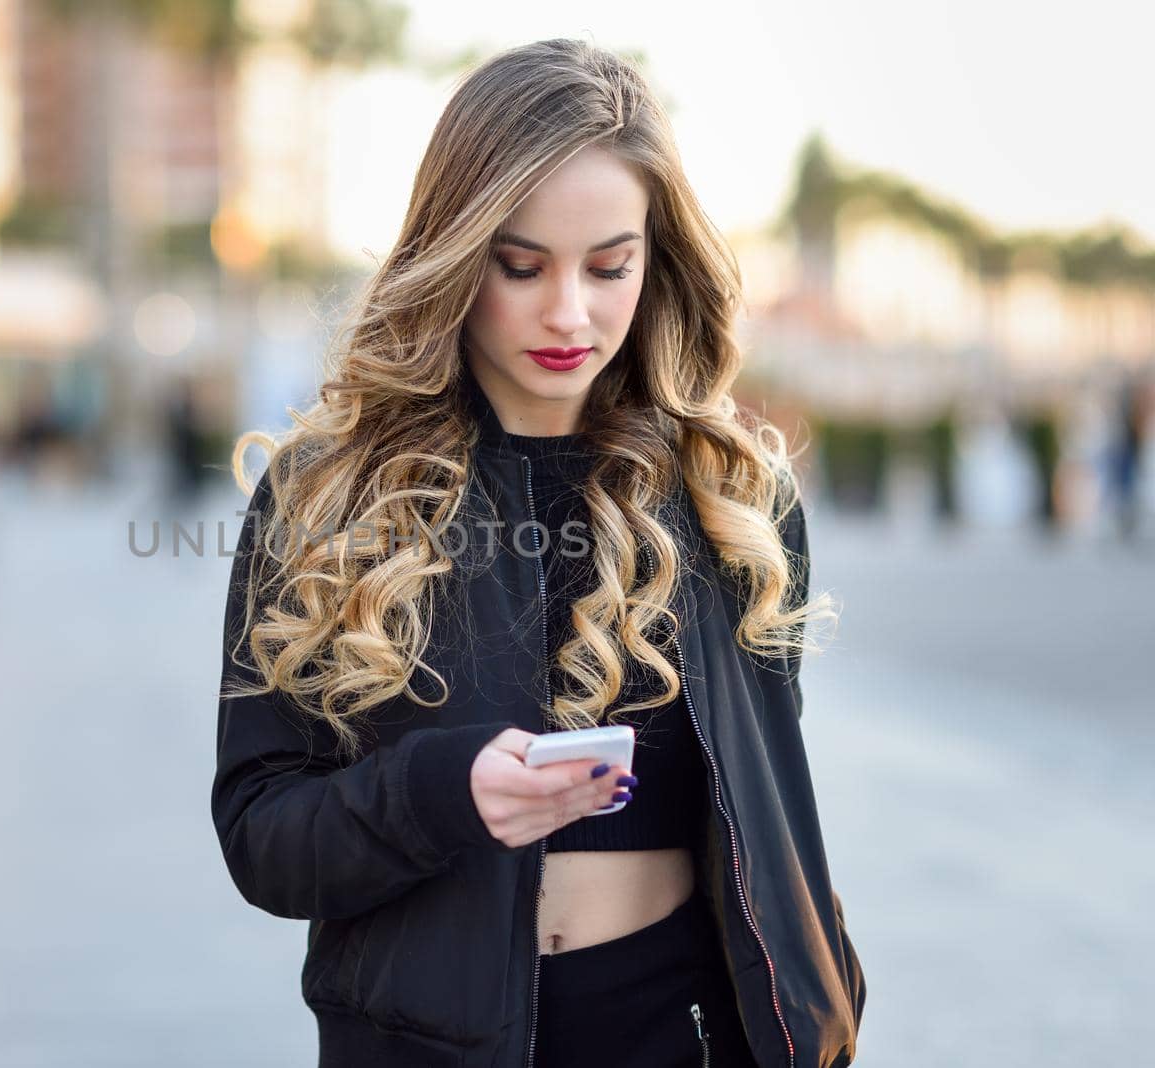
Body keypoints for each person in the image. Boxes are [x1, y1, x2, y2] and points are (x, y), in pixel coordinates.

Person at [211, 39, 865, 1068]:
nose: (569, 312)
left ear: (657, 261)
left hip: (680, 1034)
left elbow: (762, 817)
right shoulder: (323, 498)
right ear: (455, 253)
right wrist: (440, 793)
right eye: (520, 267)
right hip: (423, 1046)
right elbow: (262, 840)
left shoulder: (731, 496)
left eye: (609, 266)